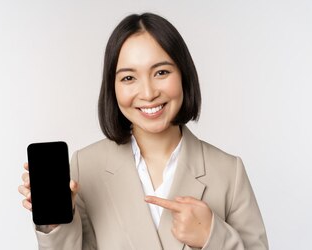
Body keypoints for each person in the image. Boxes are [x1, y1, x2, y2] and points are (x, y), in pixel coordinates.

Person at [18, 12, 268, 250]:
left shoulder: (228, 172)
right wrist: (55, 225)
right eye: (128, 78)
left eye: (161, 72)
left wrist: (212, 237)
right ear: (112, 87)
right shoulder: (86, 166)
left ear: (184, 75)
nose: (148, 93)